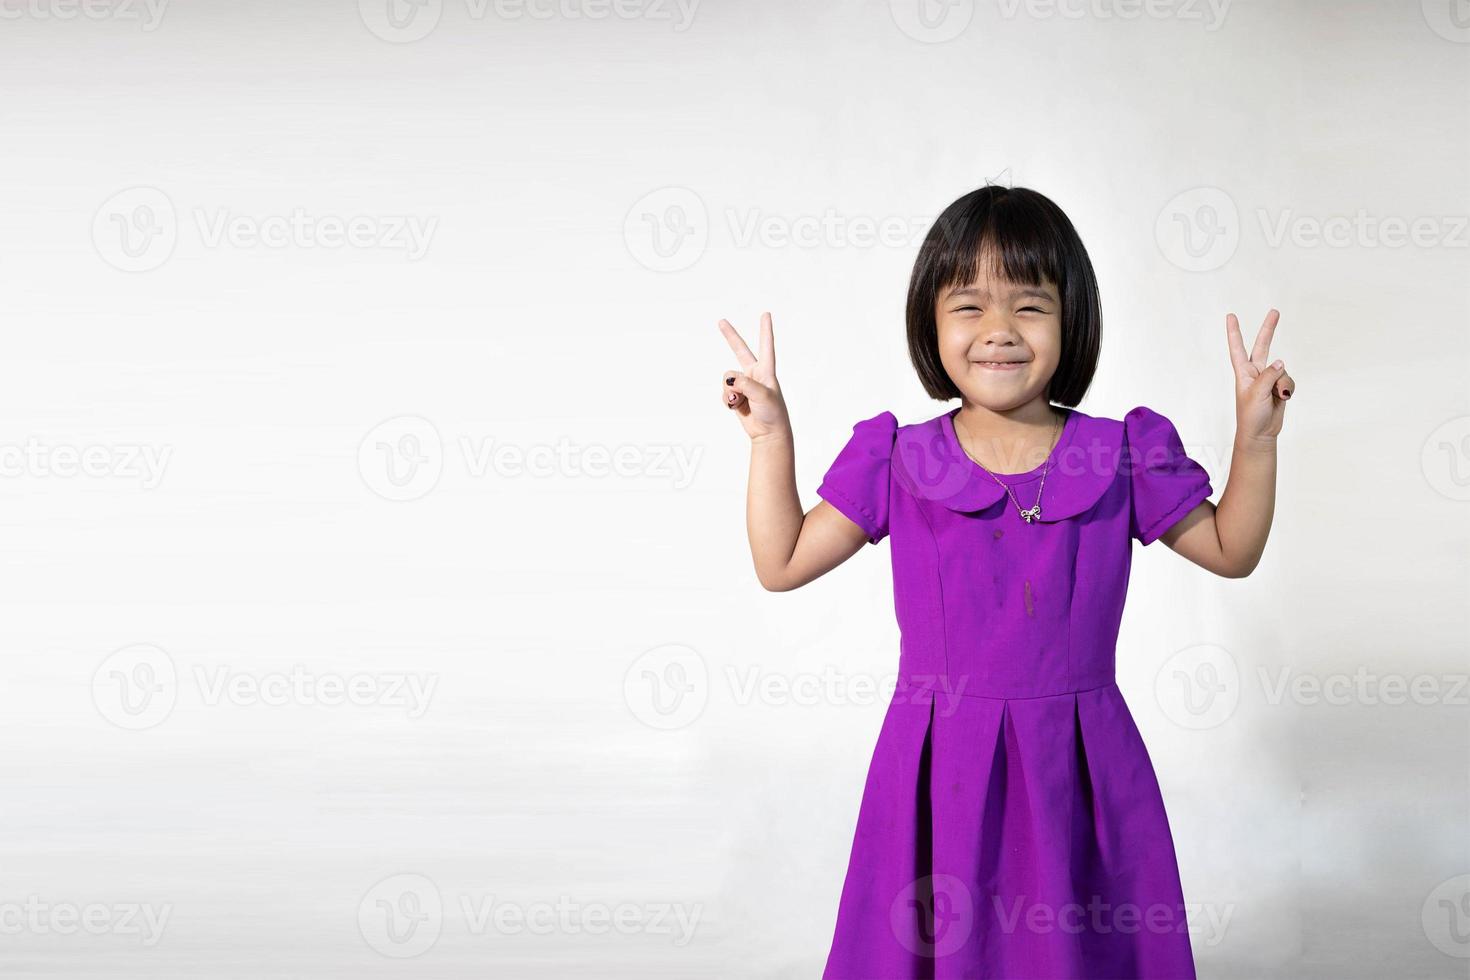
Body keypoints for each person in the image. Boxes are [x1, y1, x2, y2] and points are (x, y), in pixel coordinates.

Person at [716, 185, 1293, 979]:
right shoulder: (900, 457)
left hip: (1079, 765)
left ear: (1072, 321)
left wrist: (1255, 442)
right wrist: (771, 435)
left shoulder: (1120, 452)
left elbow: (1232, 549)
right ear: (931, 321)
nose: (999, 332)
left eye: (1029, 306)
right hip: (936, 766)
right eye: (969, 307)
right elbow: (781, 562)